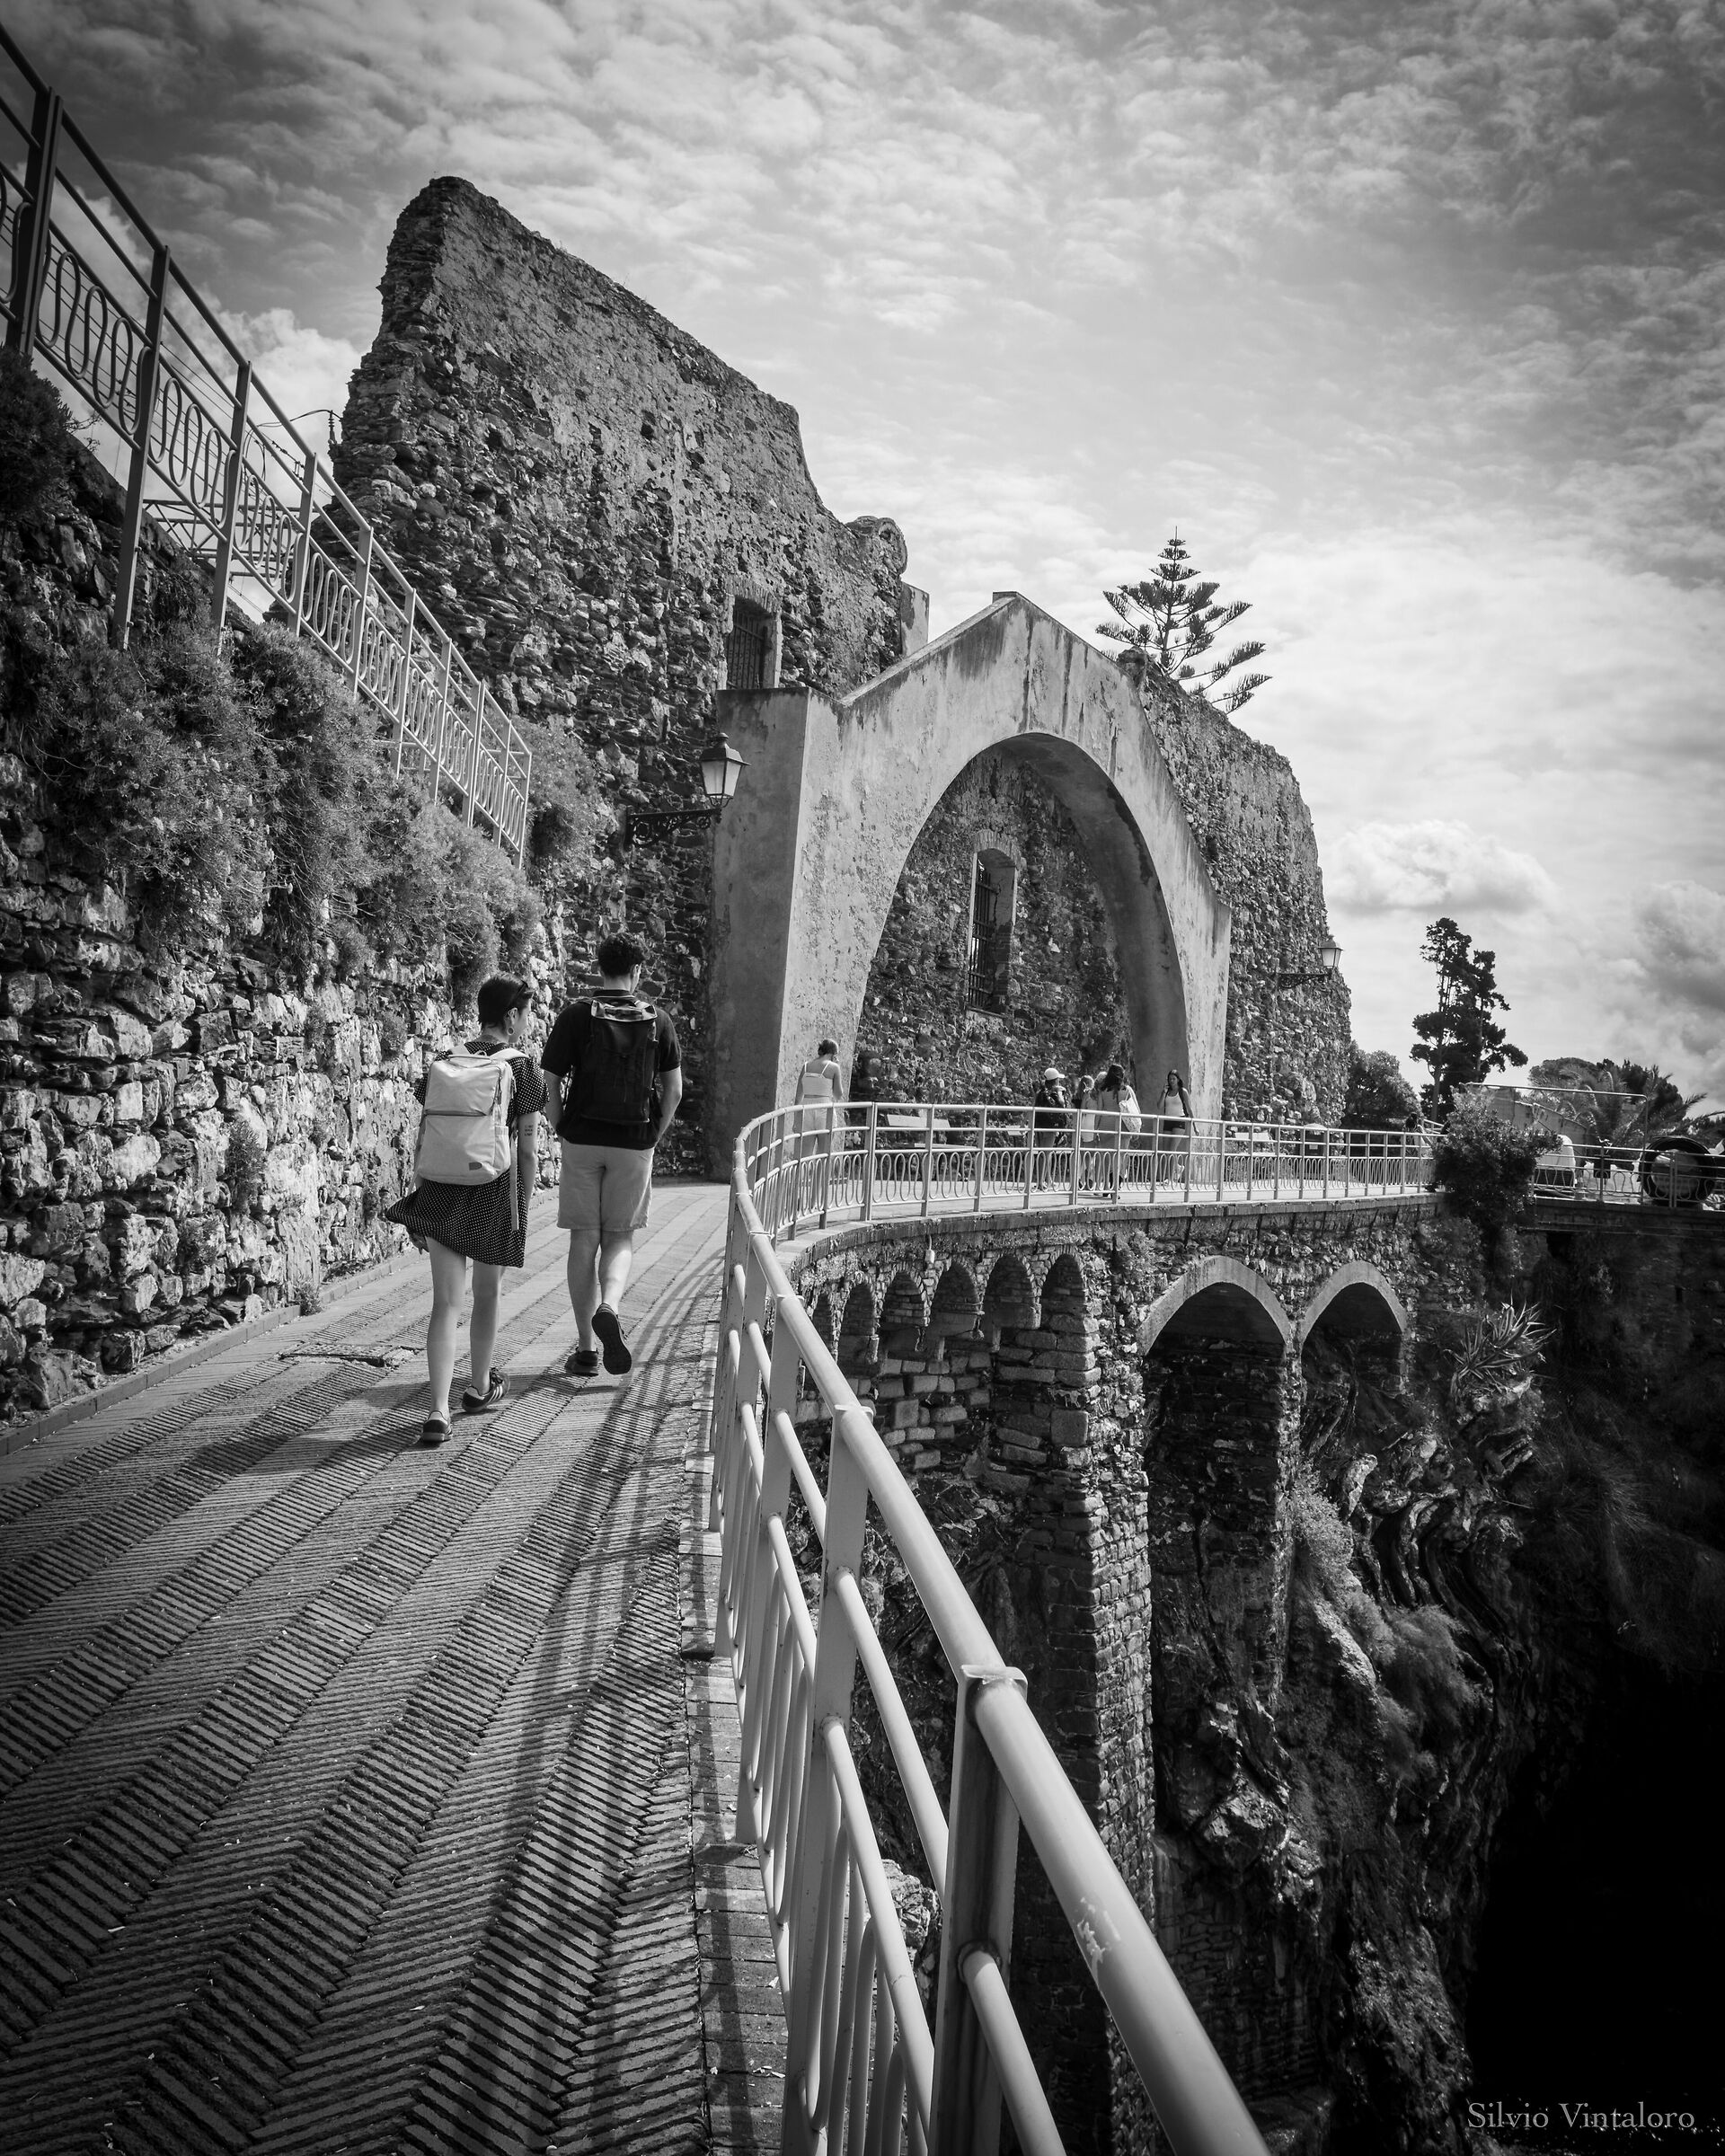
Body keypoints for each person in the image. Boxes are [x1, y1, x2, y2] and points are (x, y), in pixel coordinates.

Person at [385, 974, 544, 1446]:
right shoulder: (524, 1070)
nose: (529, 1022)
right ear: (512, 1017)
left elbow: (426, 1131)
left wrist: (419, 1189)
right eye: (527, 1013)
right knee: (487, 1293)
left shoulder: (444, 1063)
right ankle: (477, 1388)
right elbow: (529, 1149)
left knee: (445, 1304)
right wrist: (523, 1203)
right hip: (493, 1191)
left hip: (440, 1188)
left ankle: (437, 1411)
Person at [541, 932, 682, 1377]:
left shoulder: (576, 1016)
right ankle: (610, 1305)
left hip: (582, 1139)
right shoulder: (658, 1021)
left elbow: (549, 1081)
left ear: (599, 967)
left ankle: (586, 1349)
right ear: (637, 972)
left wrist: (561, 1124)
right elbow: (674, 1090)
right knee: (620, 1237)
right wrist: (654, 1134)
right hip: (634, 1141)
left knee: (583, 1238)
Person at [793, 1037, 845, 1211]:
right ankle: (814, 1201)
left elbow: (798, 1096)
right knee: (822, 1158)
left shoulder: (806, 1066)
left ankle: (795, 1199)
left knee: (803, 1158)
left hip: (806, 1109)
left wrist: (796, 1120)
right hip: (824, 1110)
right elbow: (838, 1094)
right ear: (833, 1054)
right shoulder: (833, 1067)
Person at [1095, 1061, 1144, 1191]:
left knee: (1106, 1156)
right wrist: (1136, 1130)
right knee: (1120, 1156)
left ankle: (1105, 1185)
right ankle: (1116, 1185)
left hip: (1105, 1125)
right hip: (1123, 1126)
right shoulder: (1127, 1090)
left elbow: (1099, 1112)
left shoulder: (1103, 1091)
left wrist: (1095, 1130)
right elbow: (1136, 1110)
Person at [1031, 1065, 1069, 1187]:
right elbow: (1062, 1105)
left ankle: (1046, 1179)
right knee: (1046, 1154)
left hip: (1038, 1126)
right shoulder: (1056, 1092)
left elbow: (1033, 1107)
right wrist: (1060, 1094)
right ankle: (1040, 1182)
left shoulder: (1040, 1092)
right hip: (1050, 1127)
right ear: (1056, 1080)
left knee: (1042, 1153)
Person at [1154, 1066, 1190, 1186]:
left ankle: (1170, 1178)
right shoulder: (1167, 1092)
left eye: (1174, 1079)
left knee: (1172, 1150)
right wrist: (1163, 1092)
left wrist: (1194, 1125)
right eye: (1170, 1079)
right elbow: (1159, 1106)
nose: (1171, 1081)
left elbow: (1189, 1109)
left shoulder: (1182, 1091)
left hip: (1179, 1121)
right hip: (1168, 1120)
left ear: (1178, 1080)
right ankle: (1177, 1168)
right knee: (1166, 1151)